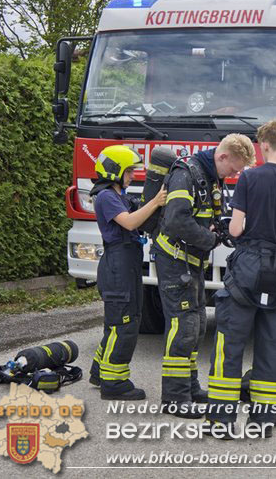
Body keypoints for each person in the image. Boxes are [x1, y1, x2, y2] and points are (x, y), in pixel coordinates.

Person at [205, 120, 276, 439]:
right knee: (272, 344)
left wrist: (254, 229)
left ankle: (222, 421)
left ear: (263, 145)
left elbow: (235, 229)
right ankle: (263, 418)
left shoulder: (250, 178)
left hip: (248, 266)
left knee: (231, 341)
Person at [155, 133, 255, 418]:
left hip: (191, 261)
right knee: (183, 325)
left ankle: (190, 387)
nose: (234, 175)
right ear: (222, 156)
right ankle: (174, 397)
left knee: (197, 323)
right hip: (175, 260)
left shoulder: (210, 176)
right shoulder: (186, 174)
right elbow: (175, 220)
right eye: (234, 169)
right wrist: (208, 239)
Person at [89, 145, 166, 400]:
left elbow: (141, 214)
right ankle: (114, 383)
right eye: (129, 171)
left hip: (125, 265)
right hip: (117, 267)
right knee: (124, 324)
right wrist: (156, 201)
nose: (133, 175)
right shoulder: (106, 197)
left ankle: (100, 372)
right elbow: (131, 222)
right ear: (115, 170)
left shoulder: (119, 195)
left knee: (117, 323)